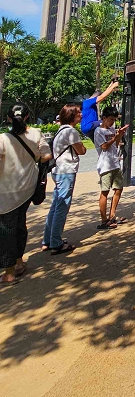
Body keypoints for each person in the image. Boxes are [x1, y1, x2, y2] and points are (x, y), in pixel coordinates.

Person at [0, 103, 51, 284]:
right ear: (28, 116)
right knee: (20, 224)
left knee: (6, 230)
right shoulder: (36, 133)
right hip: (27, 188)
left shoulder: (3, 138)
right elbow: (46, 156)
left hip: (6, 192)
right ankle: (19, 262)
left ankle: (9, 272)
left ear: (8, 118)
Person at [41, 104, 86, 254]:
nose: (81, 114)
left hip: (57, 170)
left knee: (55, 206)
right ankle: (56, 242)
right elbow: (81, 150)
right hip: (66, 171)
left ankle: (48, 240)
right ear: (71, 115)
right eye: (78, 112)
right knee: (62, 206)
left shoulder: (61, 130)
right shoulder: (71, 131)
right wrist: (82, 148)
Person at [94, 107, 129, 230]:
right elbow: (104, 146)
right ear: (104, 118)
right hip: (105, 165)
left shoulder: (112, 129)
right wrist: (115, 137)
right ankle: (104, 220)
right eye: (110, 119)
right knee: (105, 191)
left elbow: (116, 143)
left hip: (115, 163)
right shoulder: (98, 131)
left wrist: (119, 135)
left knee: (118, 189)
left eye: (114, 120)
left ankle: (112, 214)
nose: (112, 122)